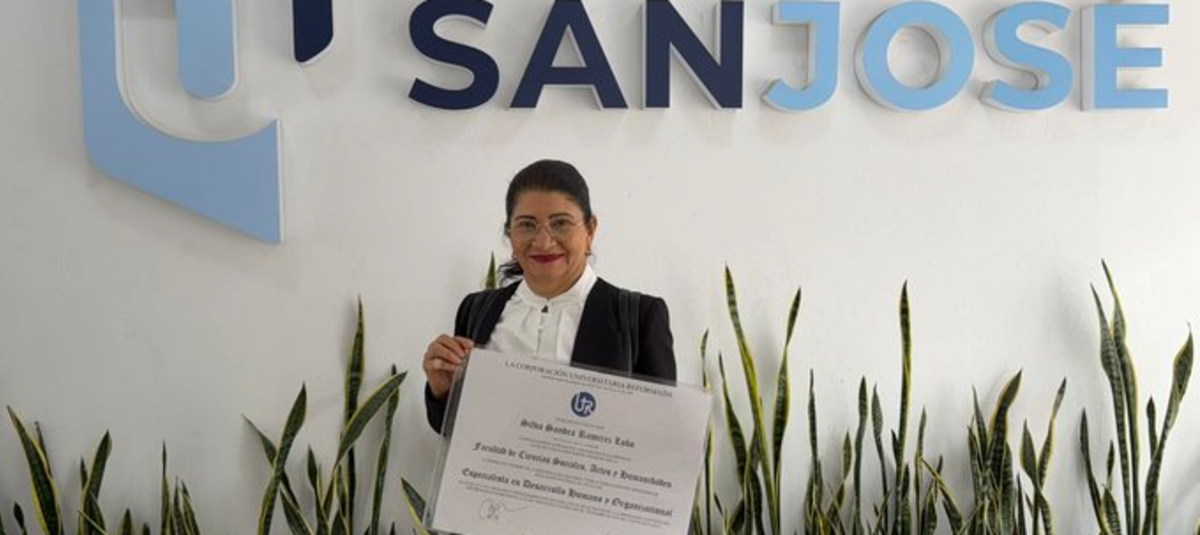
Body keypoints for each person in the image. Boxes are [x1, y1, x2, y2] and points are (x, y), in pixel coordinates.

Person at [422, 159, 676, 433]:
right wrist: (442, 391)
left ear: (590, 230)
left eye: (561, 223)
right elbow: (453, 431)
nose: (543, 242)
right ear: (510, 233)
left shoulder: (639, 317)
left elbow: (662, 436)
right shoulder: (476, 309)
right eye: (527, 225)